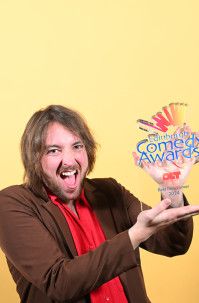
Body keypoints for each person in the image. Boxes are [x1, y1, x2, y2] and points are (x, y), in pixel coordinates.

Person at [0, 105, 198, 303]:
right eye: (54, 150)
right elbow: (58, 282)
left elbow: (174, 244)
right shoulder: (12, 203)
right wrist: (134, 236)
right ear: (34, 158)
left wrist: (171, 189)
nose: (69, 160)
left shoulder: (110, 192)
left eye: (77, 146)